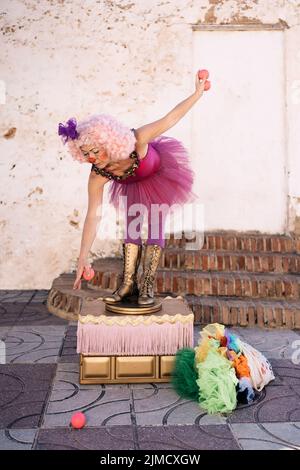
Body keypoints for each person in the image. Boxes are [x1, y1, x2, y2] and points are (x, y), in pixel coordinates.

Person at [58, 72, 206, 305]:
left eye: (96, 150)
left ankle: (146, 284)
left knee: (155, 226)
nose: (92, 157)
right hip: (132, 187)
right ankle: (128, 284)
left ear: (108, 141)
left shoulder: (136, 140)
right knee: (132, 229)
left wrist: (197, 93)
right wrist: (82, 257)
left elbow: (170, 119)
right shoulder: (97, 175)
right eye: (86, 154)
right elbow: (93, 216)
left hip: (159, 178)